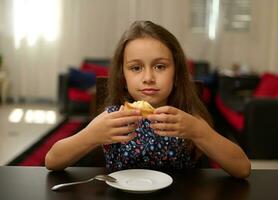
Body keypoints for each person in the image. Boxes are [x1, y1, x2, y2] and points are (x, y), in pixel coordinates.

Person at [45, 20, 251, 178]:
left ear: (177, 75)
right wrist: (92, 135)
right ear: (123, 78)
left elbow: (242, 168)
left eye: (160, 66)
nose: (148, 78)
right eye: (136, 68)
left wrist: (199, 132)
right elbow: (52, 161)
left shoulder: (185, 119)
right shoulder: (113, 118)